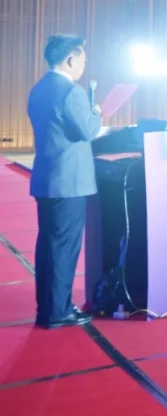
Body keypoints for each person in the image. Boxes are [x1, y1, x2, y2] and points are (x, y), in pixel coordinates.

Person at [27, 35, 101, 329]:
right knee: (63, 249)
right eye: (83, 60)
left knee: (48, 246)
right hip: (68, 181)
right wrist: (97, 113)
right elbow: (88, 131)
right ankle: (58, 311)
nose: (83, 67)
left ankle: (47, 308)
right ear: (70, 60)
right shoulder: (71, 91)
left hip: (47, 178)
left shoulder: (39, 88)